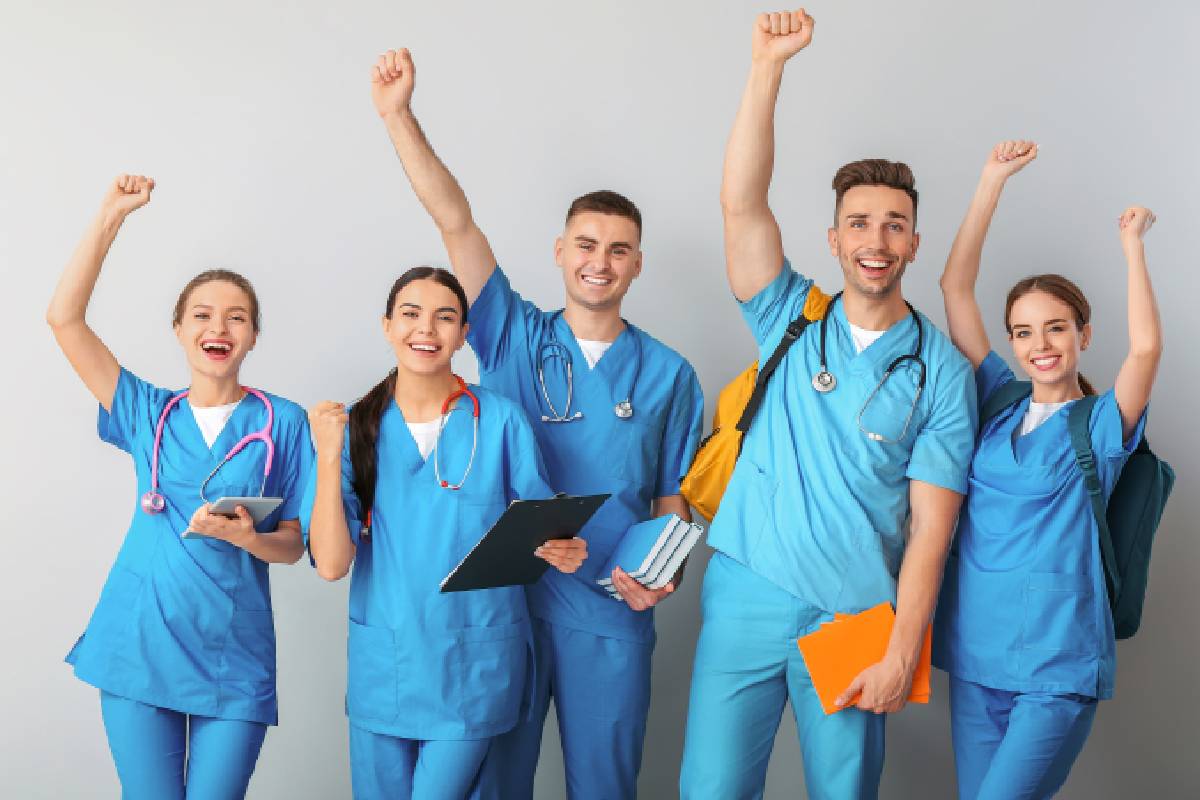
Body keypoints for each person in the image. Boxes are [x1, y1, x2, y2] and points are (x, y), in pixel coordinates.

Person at [368, 48, 705, 799]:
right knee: (494, 784)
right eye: (586, 244)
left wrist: (664, 576)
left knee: (604, 784)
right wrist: (399, 118)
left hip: (608, 604)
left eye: (619, 249)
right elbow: (454, 220)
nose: (600, 261)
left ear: (637, 264)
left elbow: (671, 500)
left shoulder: (671, 375)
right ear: (560, 252)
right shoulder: (513, 336)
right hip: (506, 609)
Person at [679, 11, 978, 799]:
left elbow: (932, 532)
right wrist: (766, 69)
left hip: (854, 615)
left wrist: (901, 651)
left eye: (894, 225)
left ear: (914, 242)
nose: (876, 239)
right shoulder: (790, 316)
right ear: (835, 239)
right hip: (747, 591)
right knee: (710, 790)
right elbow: (741, 205)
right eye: (859, 224)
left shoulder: (940, 372)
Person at [47, 175, 314, 799]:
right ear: (178, 329)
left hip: (233, 655)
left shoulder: (285, 423)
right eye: (202, 314)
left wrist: (252, 537)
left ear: (252, 336)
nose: (217, 327)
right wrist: (110, 217)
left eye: (236, 317)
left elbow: (294, 543)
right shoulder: (147, 411)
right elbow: (64, 319)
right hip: (138, 644)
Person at [931, 140, 1162, 799]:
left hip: (1056, 663)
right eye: (1024, 332)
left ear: (1083, 335)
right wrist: (990, 182)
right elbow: (955, 287)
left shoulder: (1100, 425)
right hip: (977, 655)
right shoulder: (998, 405)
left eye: (1056, 328)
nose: (1040, 345)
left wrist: (1134, 248)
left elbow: (1146, 346)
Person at [302, 267, 586, 799]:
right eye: (410, 314)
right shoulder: (354, 427)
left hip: (473, 665)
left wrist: (565, 547)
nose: (426, 329)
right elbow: (333, 564)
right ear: (387, 326)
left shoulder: (501, 421)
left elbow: (542, 523)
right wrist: (327, 455)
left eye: (444, 316)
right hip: (385, 664)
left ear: (462, 333)